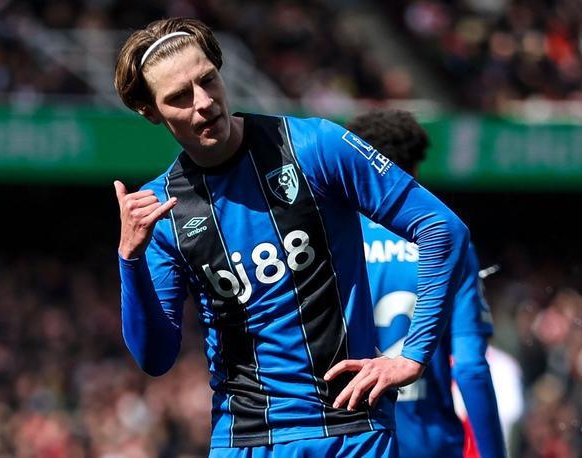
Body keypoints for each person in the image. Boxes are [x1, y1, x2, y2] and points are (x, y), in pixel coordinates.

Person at [112, 17, 469, 457]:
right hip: (244, 439)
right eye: (179, 97)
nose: (204, 102)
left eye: (208, 80)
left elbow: (440, 228)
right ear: (150, 111)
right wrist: (130, 259)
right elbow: (155, 358)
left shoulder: (314, 146)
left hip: (351, 431)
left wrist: (412, 356)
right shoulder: (161, 211)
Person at [347, 109, 505, 458]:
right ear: (415, 171)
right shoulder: (448, 243)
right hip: (430, 444)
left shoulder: (335, 242)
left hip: (351, 441)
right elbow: (471, 367)